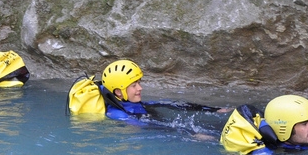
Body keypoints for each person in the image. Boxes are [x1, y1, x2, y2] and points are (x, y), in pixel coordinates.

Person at [67, 59, 227, 124]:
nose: (140, 88)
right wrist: (192, 135)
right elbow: (157, 128)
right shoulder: (121, 115)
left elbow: (167, 104)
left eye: (139, 83)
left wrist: (212, 109)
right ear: (118, 92)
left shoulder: (125, 103)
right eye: (134, 85)